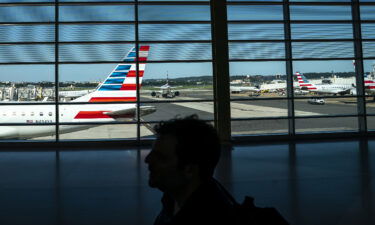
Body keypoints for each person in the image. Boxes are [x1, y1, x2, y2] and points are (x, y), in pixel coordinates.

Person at [145, 115, 237, 225]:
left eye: (161, 157)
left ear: (189, 170)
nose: (147, 160)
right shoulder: (173, 197)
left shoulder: (211, 216)